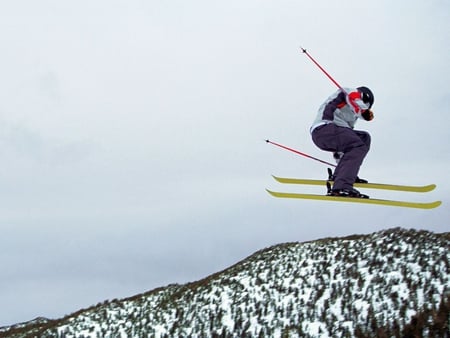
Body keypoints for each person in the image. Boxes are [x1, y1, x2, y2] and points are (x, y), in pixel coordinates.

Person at [310, 86, 374, 198]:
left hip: (328, 134)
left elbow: (345, 148)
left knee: (364, 138)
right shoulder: (350, 92)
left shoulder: (349, 119)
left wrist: (344, 172)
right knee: (358, 145)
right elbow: (354, 98)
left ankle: (341, 177)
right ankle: (342, 186)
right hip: (324, 128)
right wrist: (363, 110)